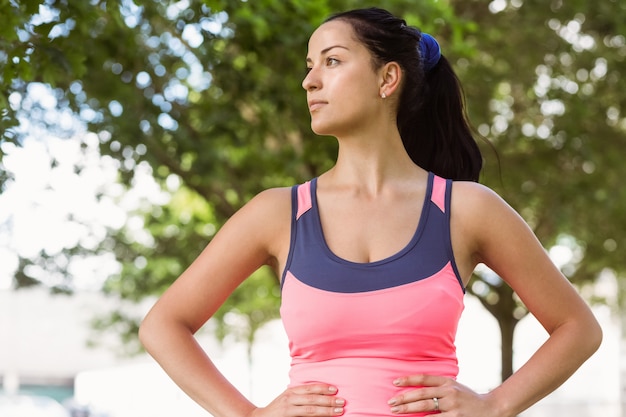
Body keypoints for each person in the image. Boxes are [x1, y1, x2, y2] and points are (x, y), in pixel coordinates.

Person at [139, 7, 602, 417]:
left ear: (388, 78)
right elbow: (163, 325)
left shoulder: (465, 209)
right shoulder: (277, 213)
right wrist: (247, 414)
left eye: (332, 60)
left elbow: (578, 328)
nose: (310, 80)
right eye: (309, 65)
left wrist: (497, 404)